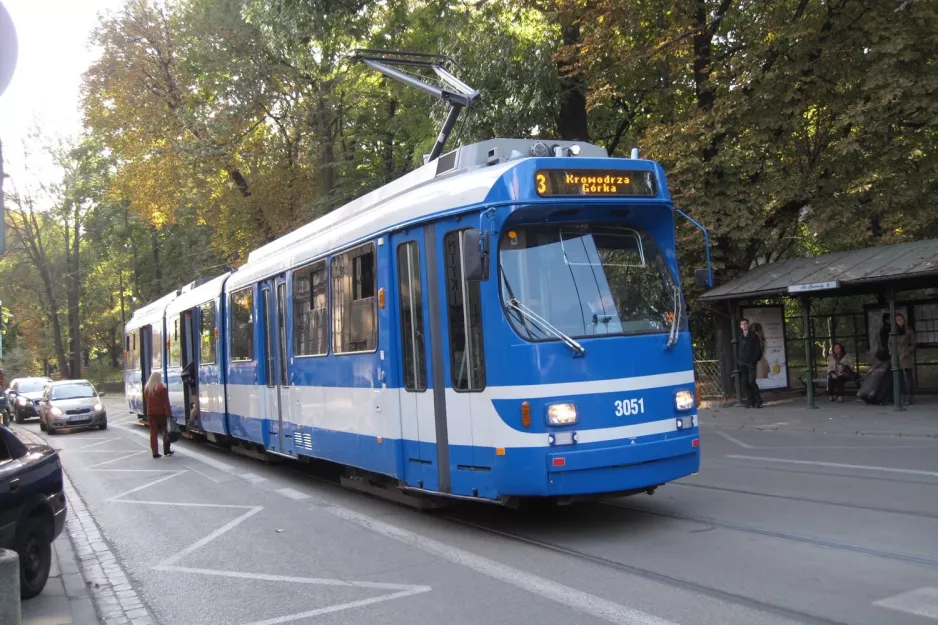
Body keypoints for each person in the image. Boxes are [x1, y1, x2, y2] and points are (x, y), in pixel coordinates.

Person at [143, 371, 174, 458]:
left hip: (151, 413)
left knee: (153, 432)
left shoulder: (147, 388)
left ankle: (155, 452)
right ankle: (166, 450)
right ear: (159, 378)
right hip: (161, 413)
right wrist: (169, 414)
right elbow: (166, 403)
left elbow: (147, 401)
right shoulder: (162, 388)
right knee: (166, 431)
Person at [737, 318, 763, 408]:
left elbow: (758, 349)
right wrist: (738, 360)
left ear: (748, 325)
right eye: (742, 324)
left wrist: (753, 360)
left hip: (751, 362)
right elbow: (736, 349)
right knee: (745, 382)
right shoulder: (739, 336)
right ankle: (750, 401)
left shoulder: (753, 336)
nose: (743, 326)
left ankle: (758, 401)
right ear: (740, 326)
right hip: (742, 362)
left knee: (751, 381)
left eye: (745, 324)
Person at [895, 313, 916, 405]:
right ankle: (902, 396)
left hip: (906, 356)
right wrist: (892, 353)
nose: (900, 322)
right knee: (899, 377)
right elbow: (889, 343)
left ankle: (909, 396)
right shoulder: (893, 331)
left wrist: (907, 351)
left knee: (908, 377)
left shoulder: (909, 331)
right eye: (897, 320)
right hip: (896, 357)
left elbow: (913, 344)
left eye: (901, 319)